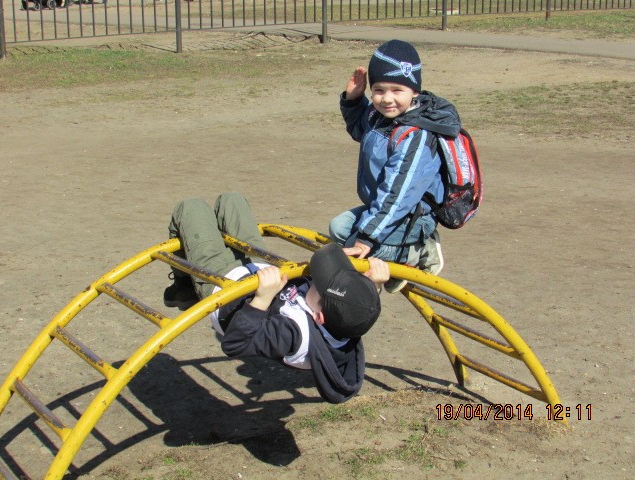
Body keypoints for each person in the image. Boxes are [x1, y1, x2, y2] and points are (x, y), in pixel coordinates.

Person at [163, 192, 390, 403]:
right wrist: (374, 284)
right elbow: (356, 301)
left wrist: (261, 300)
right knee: (231, 201)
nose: (316, 279)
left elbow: (235, 344)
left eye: (320, 282)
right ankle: (194, 277)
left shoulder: (292, 333)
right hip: (261, 269)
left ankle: (186, 288)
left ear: (319, 316)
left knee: (191, 208)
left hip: (227, 290)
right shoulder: (347, 319)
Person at [330, 39, 461, 291]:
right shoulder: (376, 116)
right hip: (385, 210)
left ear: (415, 92)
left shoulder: (417, 136)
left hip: (413, 215)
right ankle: (393, 259)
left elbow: (397, 194)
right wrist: (353, 101)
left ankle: (421, 253)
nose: (387, 99)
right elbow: (361, 131)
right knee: (338, 229)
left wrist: (367, 238)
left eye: (397, 90)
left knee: (358, 250)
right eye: (379, 90)